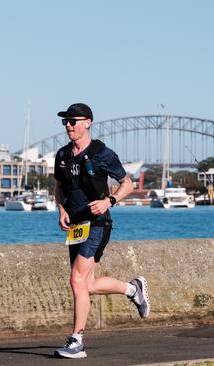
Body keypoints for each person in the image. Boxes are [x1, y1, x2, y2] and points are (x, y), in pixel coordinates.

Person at [53, 103, 150, 359]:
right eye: (65, 121)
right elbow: (58, 187)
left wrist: (110, 201)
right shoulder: (62, 155)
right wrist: (61, 210)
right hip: (75, 226)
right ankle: (133, 289)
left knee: (76, 280)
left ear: (88, 123)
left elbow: (126, 183)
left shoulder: (102, 154)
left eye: (74, 121)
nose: (68, 125)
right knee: (88, 285)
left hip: (97, 224)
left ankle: (76, 341)